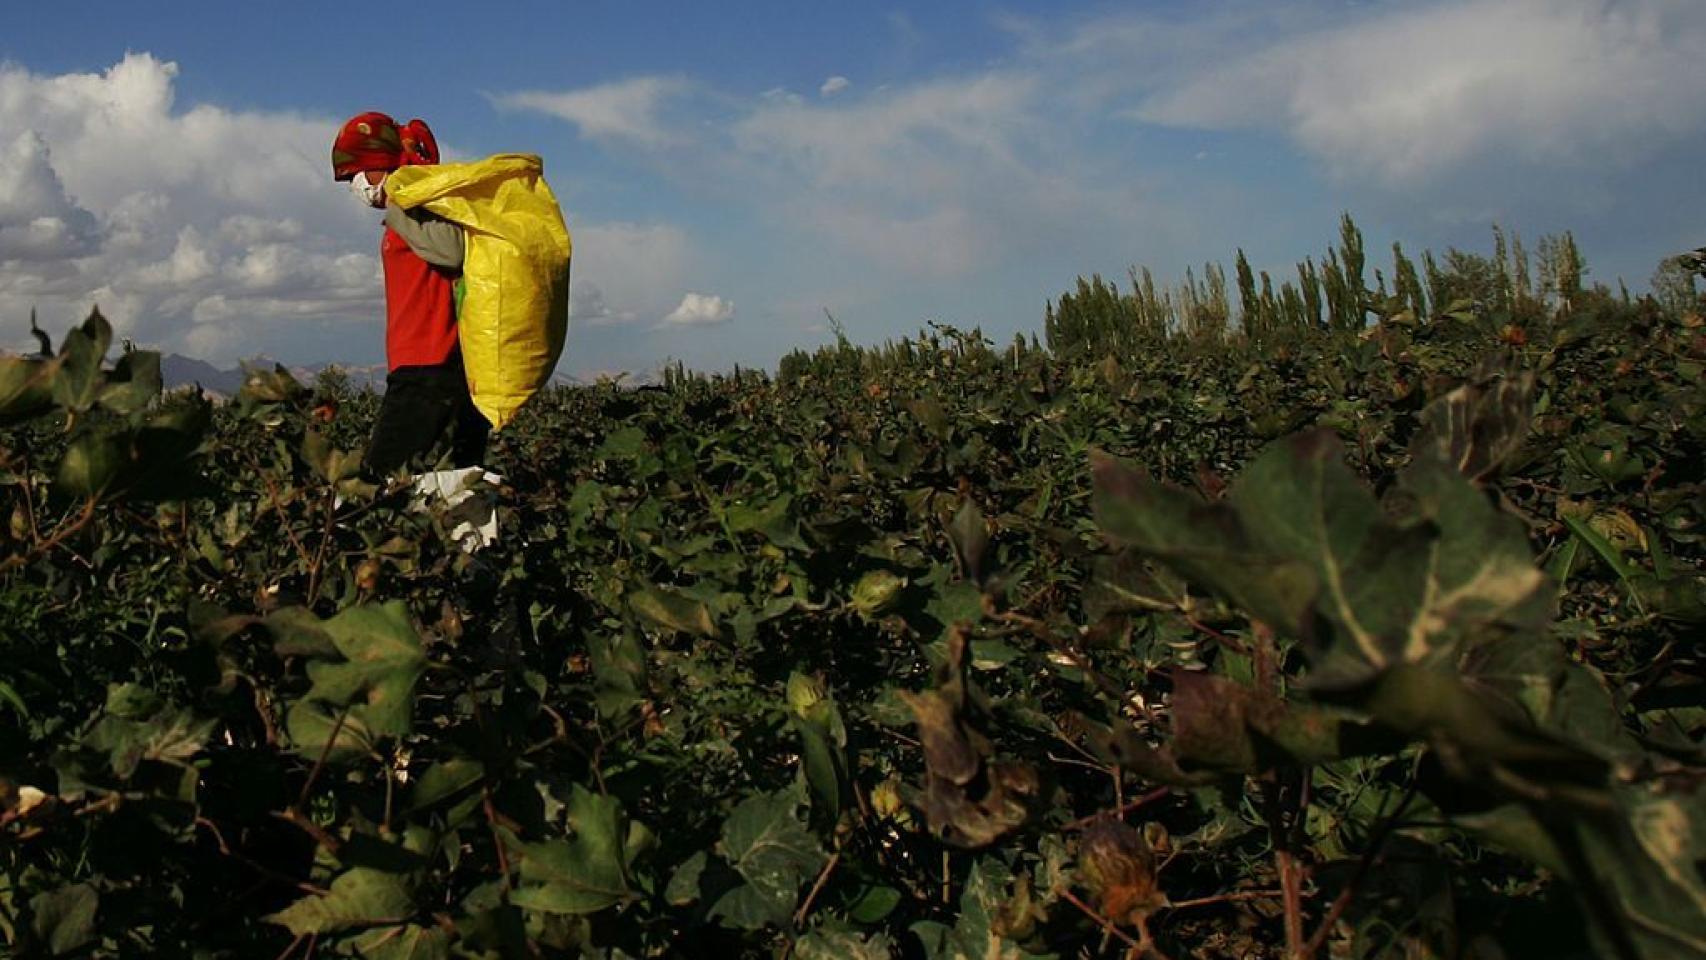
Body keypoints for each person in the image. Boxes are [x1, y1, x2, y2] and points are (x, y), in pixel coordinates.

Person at [331, 112, 489, 478]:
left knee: (376, 487)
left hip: (430, 366)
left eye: (361, 173)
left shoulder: (413, 204)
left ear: (383, 167)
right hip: (429, 366)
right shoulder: (407, 208)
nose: (356, 185)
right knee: (457, 486)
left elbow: (451, 252)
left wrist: (400, 203)